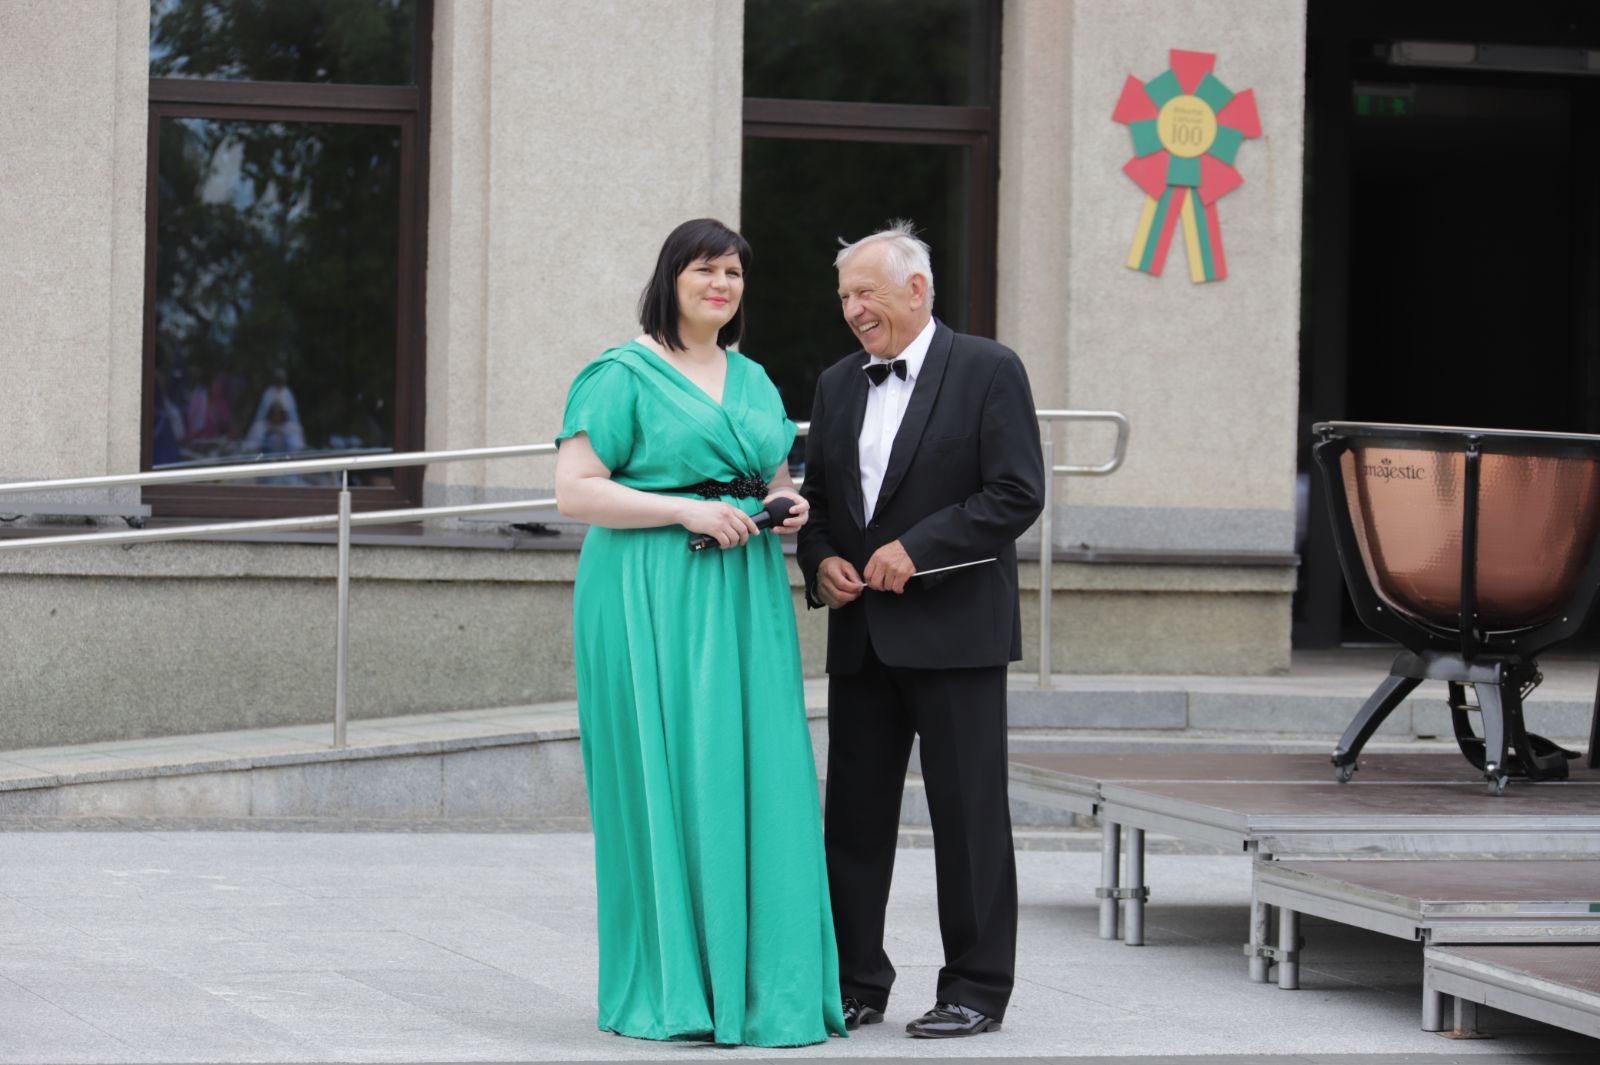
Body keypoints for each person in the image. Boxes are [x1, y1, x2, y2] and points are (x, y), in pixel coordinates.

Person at [554, 218, 848, 1047]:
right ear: (671, 278)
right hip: (650, 589)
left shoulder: (753, 378)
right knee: (675, 770)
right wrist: (684, 509)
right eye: (705, 270)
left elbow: (775, 478)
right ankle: (677, 986)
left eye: (733, 273)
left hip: (745, 589)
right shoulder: (621, 373)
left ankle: (760, 987)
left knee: (758, 771)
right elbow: (575, 490)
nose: (721, 284)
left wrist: (787, 506)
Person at [797, 221, 1045, 1039]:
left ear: (916, 288)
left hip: (957, 632)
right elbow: (818, 503)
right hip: (863, 633)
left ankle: (976, 987)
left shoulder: (989, 368)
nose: (853, 308)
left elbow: (1016, 492)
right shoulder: (836, 383)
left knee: (969, 817)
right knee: (853, 820)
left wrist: (919, 549)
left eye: (865, 292)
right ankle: (854, 981)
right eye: (844, 296)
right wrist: (822, 562)